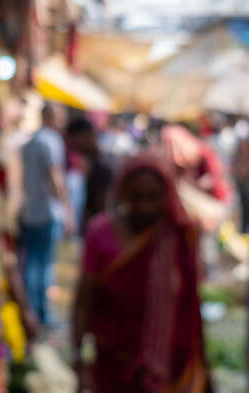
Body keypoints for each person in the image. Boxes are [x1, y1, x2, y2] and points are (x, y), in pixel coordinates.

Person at [72, 154, 211, 393]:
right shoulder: (100, 232)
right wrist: (78, 358)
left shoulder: (178, 237)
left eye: (153, 197)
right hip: (113, 366)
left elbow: (191, 305)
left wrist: (204, 364)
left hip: (172, 369)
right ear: (123, 192)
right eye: (136, 197)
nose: (144, 206)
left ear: (166, 196)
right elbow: (83, 301)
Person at [20, 103, 73, 326]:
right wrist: (68, 210)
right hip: (47, 212)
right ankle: (41, 315)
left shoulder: (29, 142)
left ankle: (31, 311)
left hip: (29, 211)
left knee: (31, 263)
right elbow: (55, 178)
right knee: (43, 265)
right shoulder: (50, 141)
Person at [66, 116, 115, 231]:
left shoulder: (102, 165)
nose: (72, 146)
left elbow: (104, 206)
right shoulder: (92, 162)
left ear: (84, 136)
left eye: (73, 140)